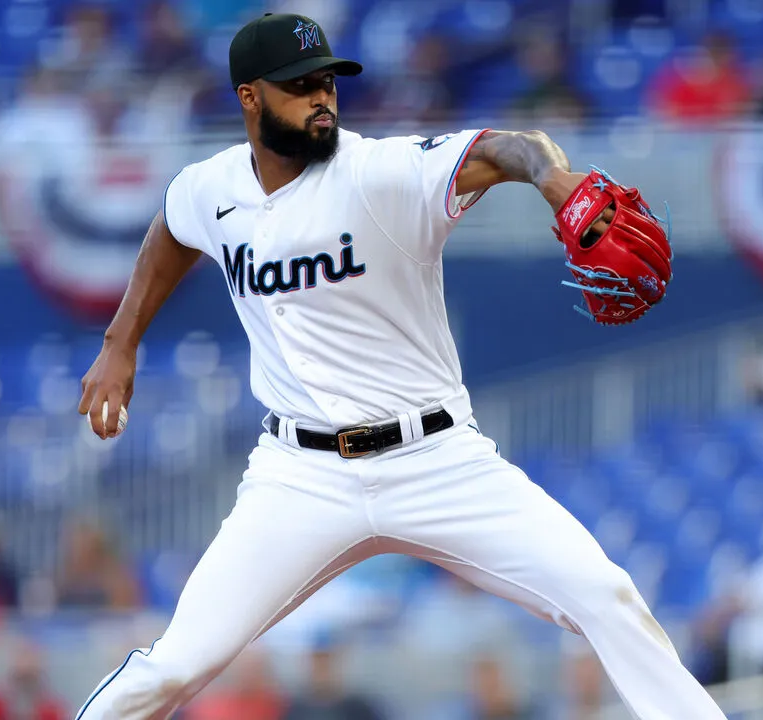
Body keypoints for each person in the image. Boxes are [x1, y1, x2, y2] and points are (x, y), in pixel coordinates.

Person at [71, 11, 724, 720]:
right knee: (176, 665)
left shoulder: (384, 173)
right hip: (301, 477)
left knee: (606, 595)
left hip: (438, 461)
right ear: (250, 97)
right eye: (299, 86)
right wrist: (119, 342)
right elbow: (170, 229)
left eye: (327, 82)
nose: (321, 98)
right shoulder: (211, 187)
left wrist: (553, 179)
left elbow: (513, 146)